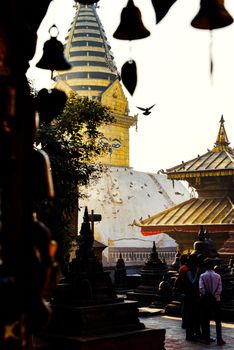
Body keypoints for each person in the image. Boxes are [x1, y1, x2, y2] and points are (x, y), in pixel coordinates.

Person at [199, 257, 226, 346]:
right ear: (213, 265)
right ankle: (219, 339)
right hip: (216, 300)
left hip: (206, 300)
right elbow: (219, 289)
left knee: (206, 320)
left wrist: (206, 295)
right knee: (218, 321)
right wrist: (215, 296)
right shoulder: (218, 276)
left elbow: (201, 289)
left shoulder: (202, 276)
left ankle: (206, 339)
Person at [184, 254, 202, 341]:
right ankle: (190, 335)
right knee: (190, 317)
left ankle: (197, 333)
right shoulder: (189, 271)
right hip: (190, 297)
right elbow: (193, 283)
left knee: (196, 316)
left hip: (195, 297)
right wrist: (198, 274)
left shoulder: (192, 270)